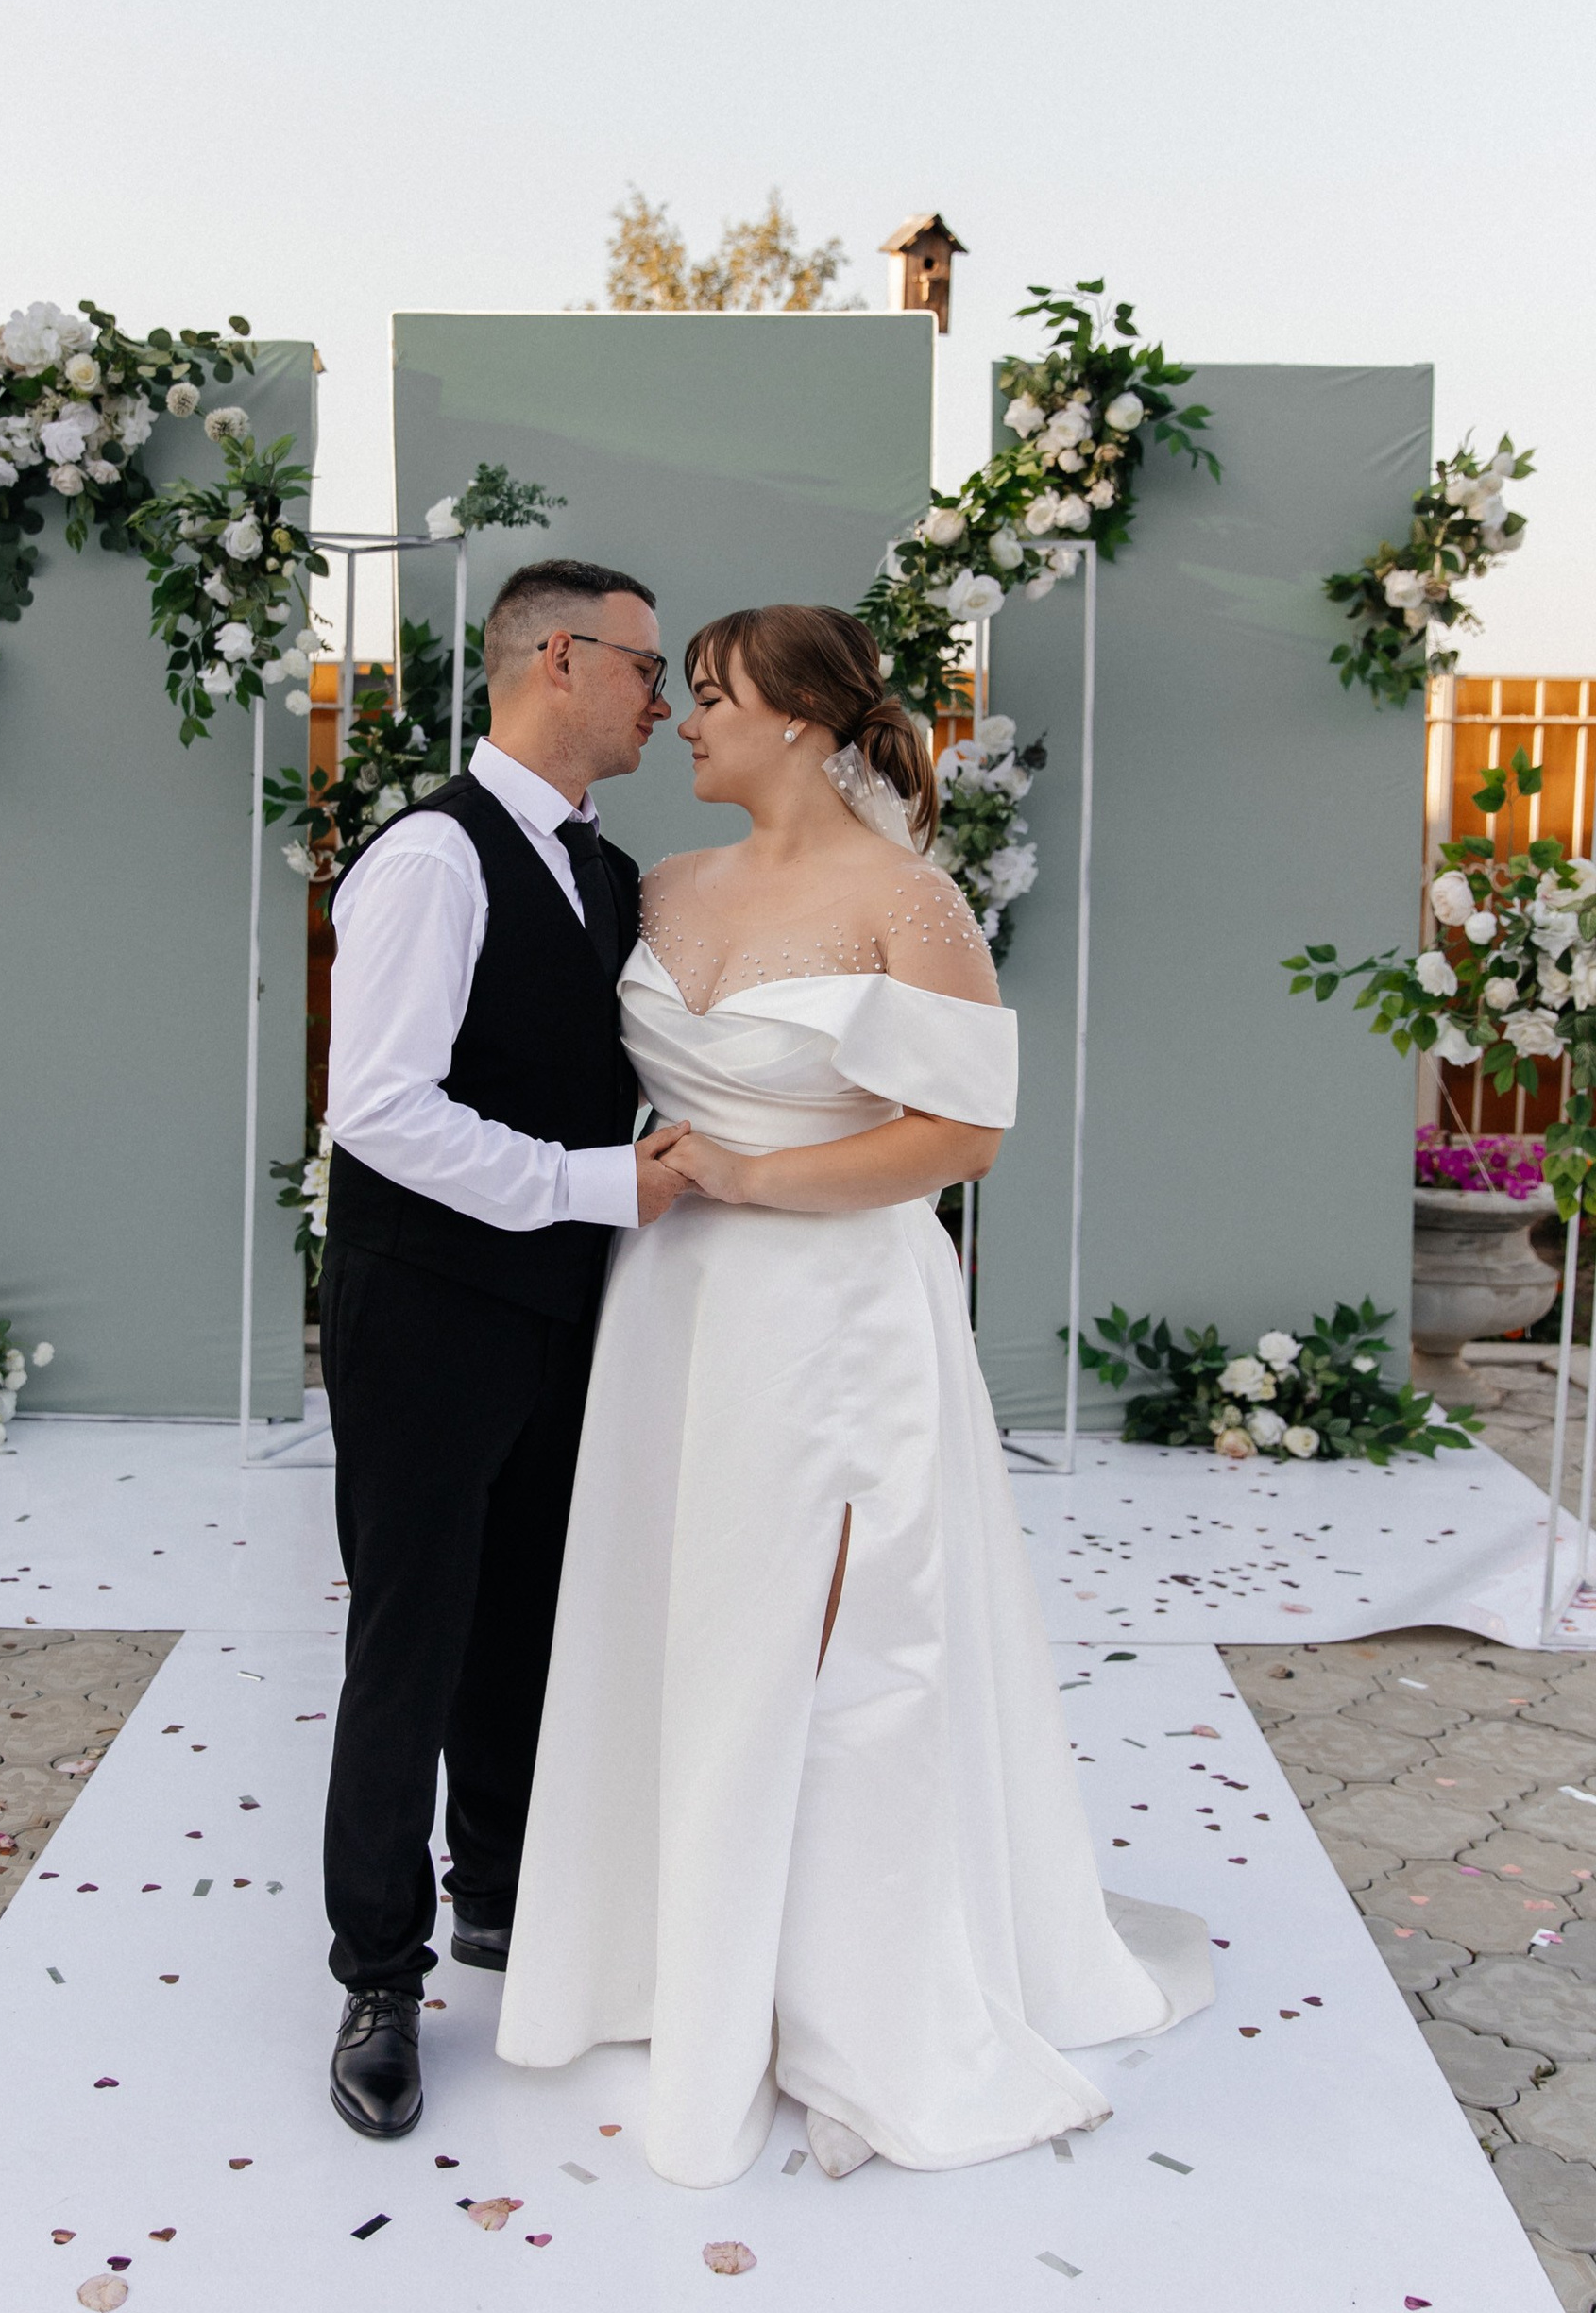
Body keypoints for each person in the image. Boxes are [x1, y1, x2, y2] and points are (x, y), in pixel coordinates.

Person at [497, 602, 1211, 2186]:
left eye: (713, 696)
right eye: (674, 693)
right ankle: (671, 1957)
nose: (684, 720)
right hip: (670, 1307)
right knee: (675, 1620)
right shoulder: (658, 886)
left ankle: (841, 1990)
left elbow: (961, 1138)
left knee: (828, 1647)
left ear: (807, 720)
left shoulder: (909, 900)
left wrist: (758, 1169)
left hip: (833, 1314)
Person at [317, 556, 690, 2140]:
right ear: (557, 656)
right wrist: (595, 1186)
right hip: (425, 1311)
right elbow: (379, 1111)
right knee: (413, 1636)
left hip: (562, 1307)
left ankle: (503, 1894)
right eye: (645, 668)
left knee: (529, 1614)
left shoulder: (610, 879)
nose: (662, 702)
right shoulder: (429, 857)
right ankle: (379, 1977)